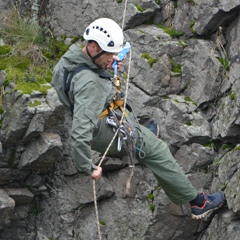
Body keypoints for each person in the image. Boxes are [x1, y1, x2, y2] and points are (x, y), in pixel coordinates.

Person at [52, 18, 225, 220]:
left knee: (130, 118)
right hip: (101, 128)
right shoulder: (89, 85)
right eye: (109, 54)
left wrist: (106, 63)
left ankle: (140, 137)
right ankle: (198, 202)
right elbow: (80, 130)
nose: (113, 59)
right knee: (158, 150)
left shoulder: (70, 61)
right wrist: (87, 166)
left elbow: (78, 83)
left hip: (97, 117)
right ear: (93, 46)